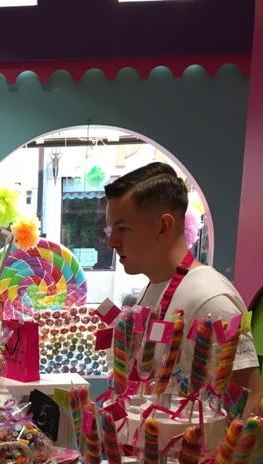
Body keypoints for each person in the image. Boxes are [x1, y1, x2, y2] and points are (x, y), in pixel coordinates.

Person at [105, 162, 262, 410]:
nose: (112, 242)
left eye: (123, 229)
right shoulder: (150, 290)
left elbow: (250, 404)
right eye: (111, 229)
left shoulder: (211, 299)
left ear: (163, 227)